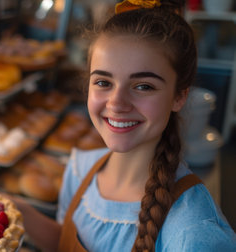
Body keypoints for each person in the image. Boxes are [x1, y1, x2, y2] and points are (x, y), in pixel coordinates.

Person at [12, 0, 236, 251]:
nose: (117, 103)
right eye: (103, 82)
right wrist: (16, 208)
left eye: (143, 86)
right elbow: (65, 241)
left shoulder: (193, 232)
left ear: (179, 96)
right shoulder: (80, 171)